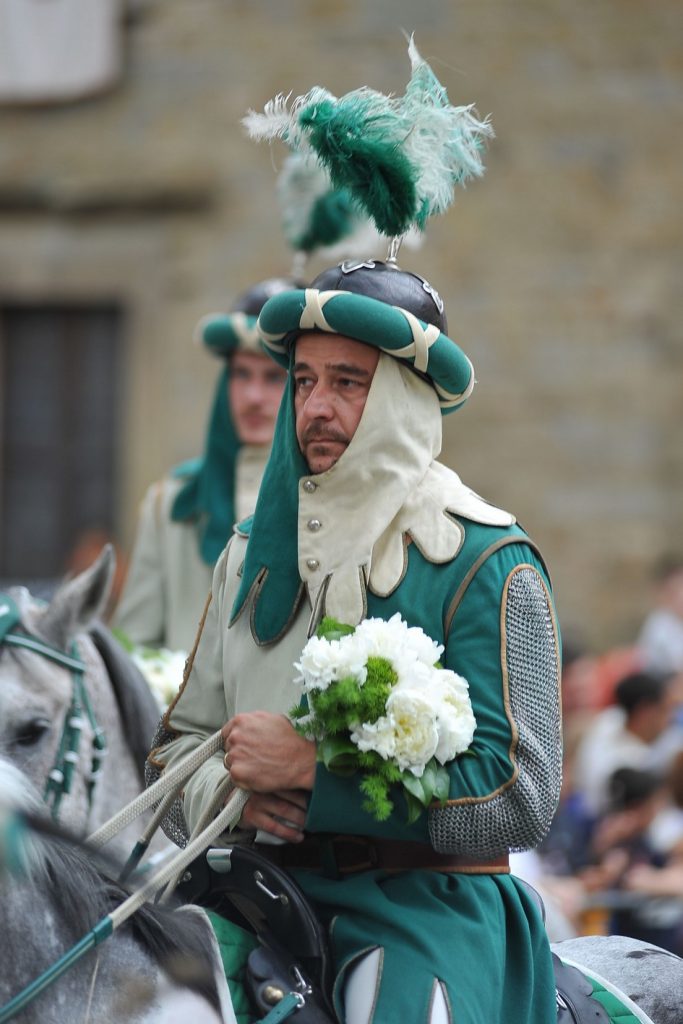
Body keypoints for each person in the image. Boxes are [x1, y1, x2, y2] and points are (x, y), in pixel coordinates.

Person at [149, 45, 563, 1024]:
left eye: (347, 382)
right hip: (239, 892)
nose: (315, 408)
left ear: (406, 398)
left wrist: (317, 780)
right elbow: (173, 757)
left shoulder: (486, 560)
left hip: (420, 910)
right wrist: (240, 791)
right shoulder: (252, 547)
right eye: (303, 381)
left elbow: (520, 796)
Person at [112, 280, 290, 653]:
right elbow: (132, 647)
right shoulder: (170, 502)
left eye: (274, 377)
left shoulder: (325, 501)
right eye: (242, 374)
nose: (253, 396)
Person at [572, 670, 676, 818]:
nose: (670, 718)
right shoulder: (636, 765)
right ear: (646, 711)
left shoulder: (608, 719)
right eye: (665, 709)